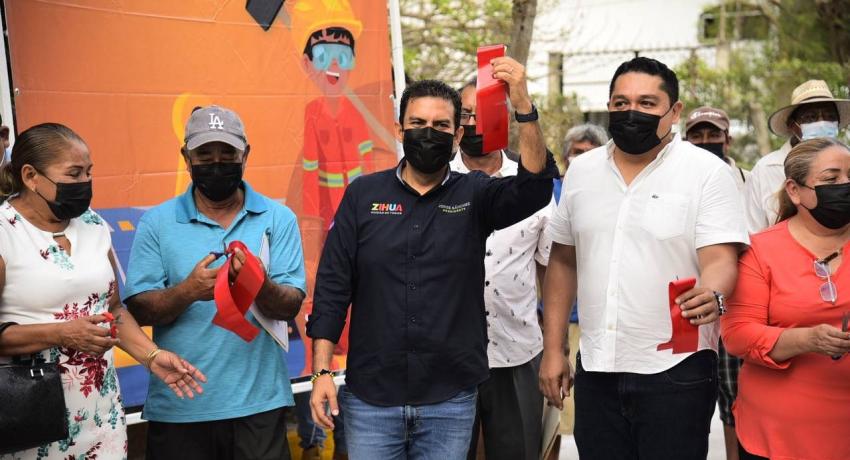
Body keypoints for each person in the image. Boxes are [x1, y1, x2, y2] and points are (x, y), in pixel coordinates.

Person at [308, 61, 557, 460]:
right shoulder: (362, 195)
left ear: (458, 135)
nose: (428, 133)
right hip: (373, 399)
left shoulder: (475, 194)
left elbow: (535, 188)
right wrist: (321, 372)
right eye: (418, 123)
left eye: (441, 126)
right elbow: (333, 288)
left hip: (449, 400)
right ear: (399, 129)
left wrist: (522, 102)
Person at [539, 57, 749, 460]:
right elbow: (563, 262)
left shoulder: (706, 172)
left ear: (675, 111)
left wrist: (712, 291)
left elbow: (721, 258)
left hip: (677, 370)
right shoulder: (581, 172)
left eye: (647, 103)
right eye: (620, 103)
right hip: (598, 366)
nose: (631, 112)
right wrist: (554, 349)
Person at [0, 123, 205, 459]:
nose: (84, 184)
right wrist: (61, 333)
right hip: (29, 423)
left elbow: (113, 308)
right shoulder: (5, 233)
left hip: (100, 417)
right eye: (74, 173)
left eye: (89, 173)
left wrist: (151, 356)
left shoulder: (93, 224)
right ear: (30, 176)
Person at [123, 106, 307, 459]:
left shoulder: (277, 217)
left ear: (246, 154)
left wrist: (259, 284)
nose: (217, 163)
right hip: (181, 405)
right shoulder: (157, 222)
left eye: (228, 154)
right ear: (186, 158)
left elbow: (290, 305)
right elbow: (140, 309)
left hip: (259, 404)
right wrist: (188, 291)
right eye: (205, 154)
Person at [721, 137, 850, 460]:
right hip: (778, 435)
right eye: (831, 179)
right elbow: (737, 335)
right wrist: (807, 339)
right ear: (794, 190)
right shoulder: (759, 250)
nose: (845, 186)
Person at [450, 79, 554, 460]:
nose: (476, 123)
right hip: (446, 356)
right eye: (466, 114)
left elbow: (551, 268)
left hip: (517, 351)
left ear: (505, 119)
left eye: (486, 114)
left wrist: (556, 348)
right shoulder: (432, 178)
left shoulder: (532, 182)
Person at [683, 105, 752, 460]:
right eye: (697, 135)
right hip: (683, 304)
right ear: (685, 138)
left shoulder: (748, 180)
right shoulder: (677, 181)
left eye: (713, 134)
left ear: (728, 138)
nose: (706, 141)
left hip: (736, 303)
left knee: (735, 395)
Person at [745, 79, 850, 232]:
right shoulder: (766, 169)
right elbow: (752, 229)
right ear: (792, 125)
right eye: (810, 118)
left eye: (829, 116)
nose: (822, 122)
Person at [552, 123, 608, 203]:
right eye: (578, 152)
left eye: (591, 153)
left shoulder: (611, 192)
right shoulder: (548, 190)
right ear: (565, 158)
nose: (583, 158)